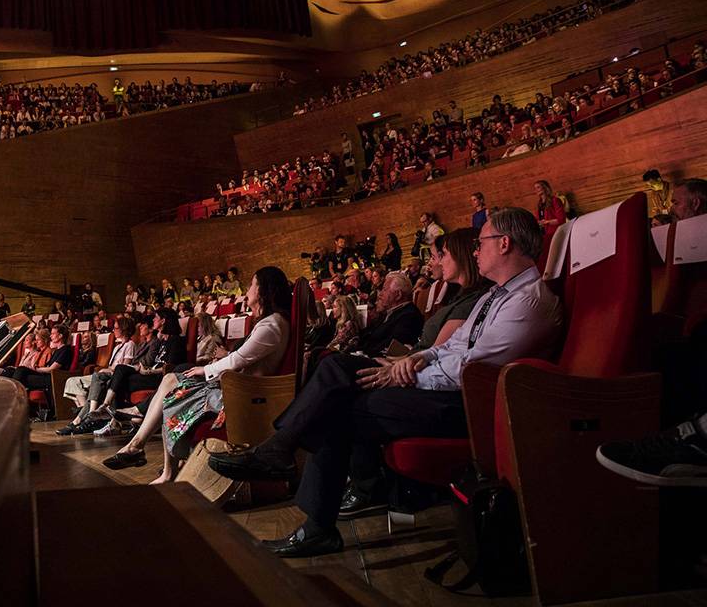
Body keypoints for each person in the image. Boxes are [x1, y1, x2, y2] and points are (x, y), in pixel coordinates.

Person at [208, 208, 563, 558]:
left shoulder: (528, 301)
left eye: (481, 242)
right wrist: (416, 359)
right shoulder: (493, 295)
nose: (475, 250)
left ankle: (298, 488)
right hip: (445, 387)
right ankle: (283, 455)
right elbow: (454, 347)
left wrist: (406, 374)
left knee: (339, 407)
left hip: (468, 404)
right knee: (338, 368)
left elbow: (474, 369)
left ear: (503, 244)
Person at [100, 267, 292, 483]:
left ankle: (150, 458)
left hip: (240, 396)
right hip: (234, 388)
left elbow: (238, 360)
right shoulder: (270, 322)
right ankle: (143, 451)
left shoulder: (272, 325)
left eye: (252, 285)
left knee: (172, 389)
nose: (247, 292)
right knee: (171, 380)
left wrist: (205, 369)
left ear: (264, 291)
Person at [534, 179, 567, 267]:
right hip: (546, 234)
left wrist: (546, 222)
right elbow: (539, 218)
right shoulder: (540, 204)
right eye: (535, 188)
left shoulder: (555, 200)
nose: (536, 190)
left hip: (555, 233)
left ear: (545, 188)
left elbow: (561, 219)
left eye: (538, 187)